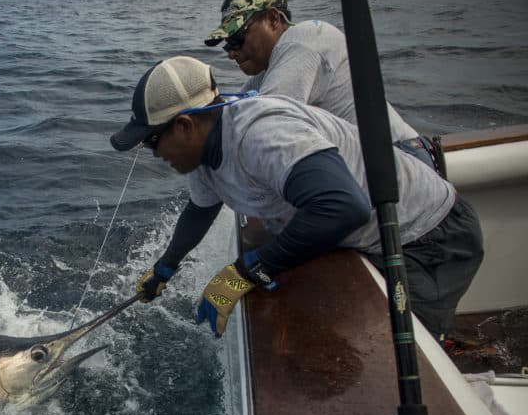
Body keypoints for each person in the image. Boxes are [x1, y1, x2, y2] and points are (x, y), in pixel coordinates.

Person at [110, 56, 482, 340]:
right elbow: (199, 211)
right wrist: (165, 267)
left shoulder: (262, 134)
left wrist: (245, 272)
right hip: (368, 239)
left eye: (152, 141)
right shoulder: (203, 156)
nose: (154, 154)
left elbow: (343, 207)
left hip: (426, 238)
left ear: (185, 125)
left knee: (412, 350)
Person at [204, 0, 442, 171]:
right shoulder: (271, 69)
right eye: (227, 45)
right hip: (369, 163)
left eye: (237, 38)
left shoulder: (301, 40)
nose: (232, 52)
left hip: (396, 161)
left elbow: (264, 127)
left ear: (273, 19)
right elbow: (232, 114)